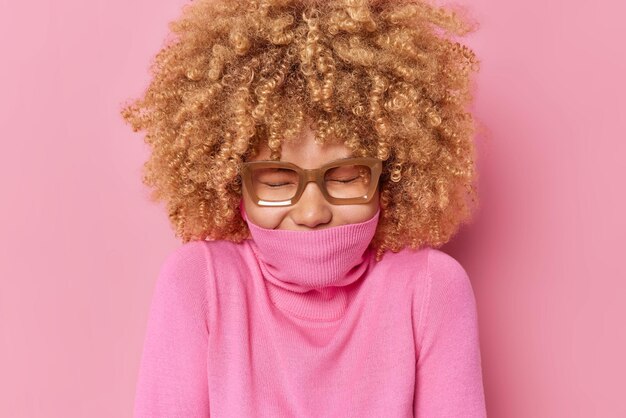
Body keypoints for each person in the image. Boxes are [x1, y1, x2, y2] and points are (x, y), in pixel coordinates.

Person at [121, 0, 486, 416]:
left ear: (389, 179)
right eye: (277, 180)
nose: (312, 212)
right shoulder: (200, 284)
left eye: (346, 177)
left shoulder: (429, 289)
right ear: (232, 185)